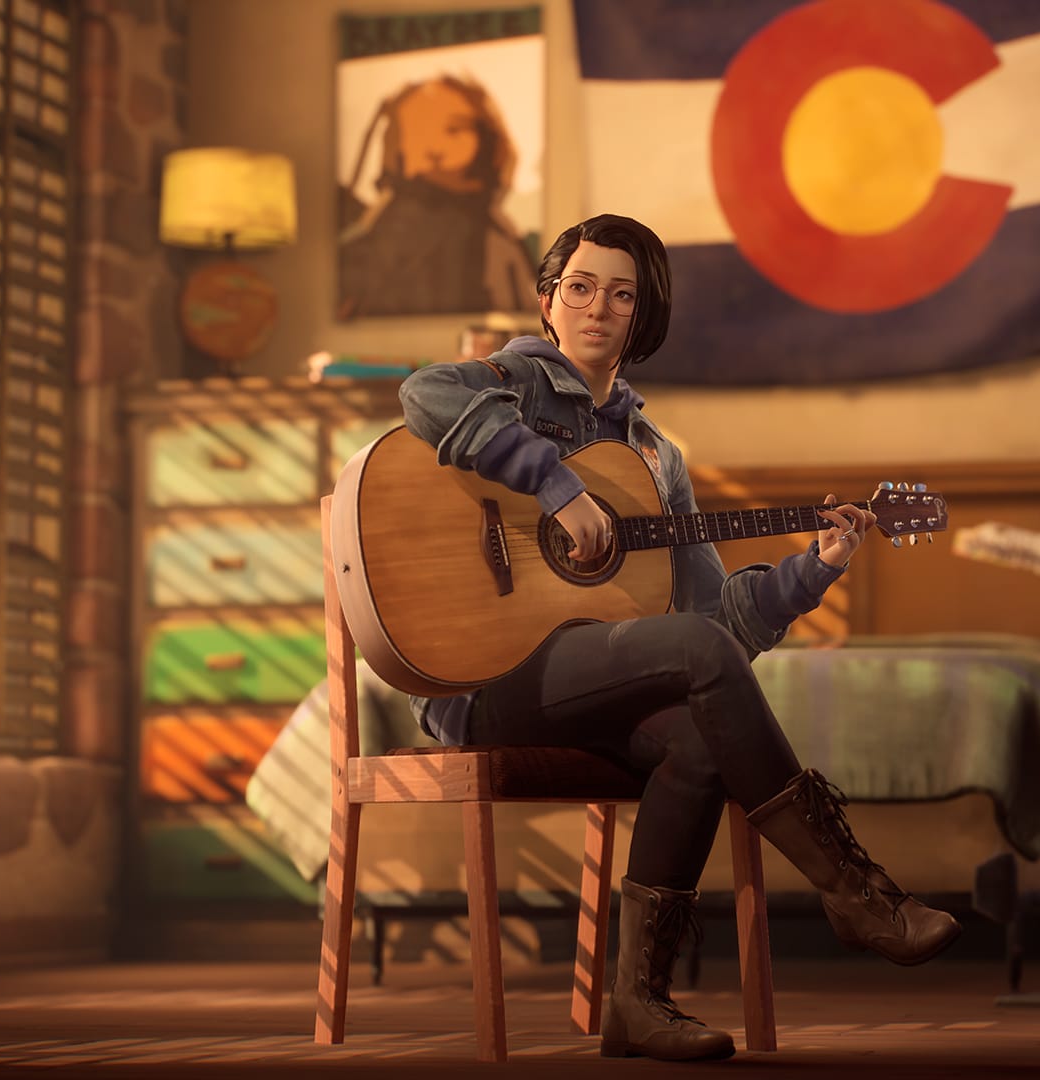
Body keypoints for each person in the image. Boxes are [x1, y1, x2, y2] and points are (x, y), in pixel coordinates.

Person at [396, 214, 960, 1062]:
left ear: (641, 317)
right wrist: (556, 489)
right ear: (547, 299)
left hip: (589, 686)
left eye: (621, 296)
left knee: (699, 734)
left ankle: (639, 1001)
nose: (596, 309)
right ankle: (856, 894)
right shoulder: (509, 381)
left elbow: (716, 625)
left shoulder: (656, 458)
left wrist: (814, 569)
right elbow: (421, 397)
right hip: (486, 680)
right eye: (580, 287)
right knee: (697, 661)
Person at [338, 73, 534, 319]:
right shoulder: (384, 230)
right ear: (397, 142)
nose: (435, 148)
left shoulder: (494, 233)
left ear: (483, 138)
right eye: (419, 131)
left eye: (454, 130)